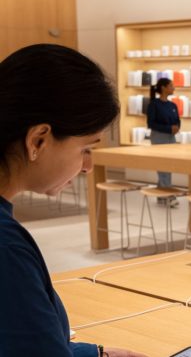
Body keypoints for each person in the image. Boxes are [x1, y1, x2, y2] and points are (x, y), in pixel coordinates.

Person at [0, 44, 147, 356]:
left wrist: (96, 354)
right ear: (38, 140)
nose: (88, 166)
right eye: (85, 148)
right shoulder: (6, 248)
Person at [147, 77, 180, 207]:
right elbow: (151, 123)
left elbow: (177, 120)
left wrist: (176, 128)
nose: (173, 88)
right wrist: (168, 128)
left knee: (168, 166)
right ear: (163, 88)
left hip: (171, 137)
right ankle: (169, 195)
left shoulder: (173, 105)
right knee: (163, 167)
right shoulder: (154, 104)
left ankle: (161, 193)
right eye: (171, 85)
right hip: (158, 137)